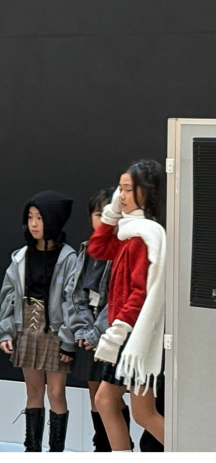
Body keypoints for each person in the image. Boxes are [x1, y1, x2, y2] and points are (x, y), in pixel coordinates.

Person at [88, 160, 166, 452]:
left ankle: (192, 450)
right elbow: (97, 248)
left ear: (147, 191)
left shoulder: (144, 236)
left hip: (134, 337)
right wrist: (111, 215)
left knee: (140, 412)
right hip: (128, 335)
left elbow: (139, 293)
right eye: (119, 189)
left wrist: (118, 331)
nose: (120, 196)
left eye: (128, 189)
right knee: (108, 401)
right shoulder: (130, 233)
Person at [0, 191, 79, 452]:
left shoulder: (68, 258)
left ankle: (56, 452)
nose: (33, 224)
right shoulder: (21, 257)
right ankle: (32, 450)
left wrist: (68, 341)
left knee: (56, 392)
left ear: (53, 220)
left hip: (56, 332)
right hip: (27, 329)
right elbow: (9, 296)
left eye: (39, 218)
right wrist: (6, 331)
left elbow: (73, 300)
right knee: (33, 391)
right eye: (30, 217)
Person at [70, 189, 131, 452]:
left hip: (113, 332)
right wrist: (84, 328)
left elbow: (118, 298)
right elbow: (75, 293)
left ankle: (119, 446)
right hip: (89, 330)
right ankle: (102, 445)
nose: (105, 219)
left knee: (112, 396)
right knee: (95, 392)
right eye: (98, 214)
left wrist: (97, 331)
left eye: (110, 213)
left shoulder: (124, 249)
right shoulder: (87, 249)